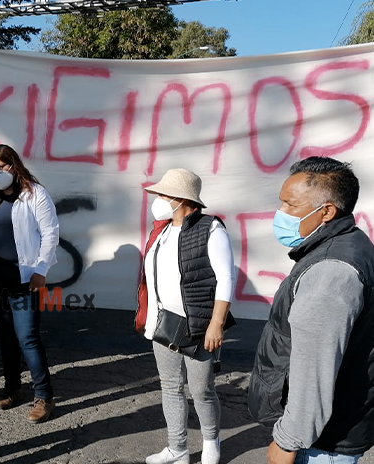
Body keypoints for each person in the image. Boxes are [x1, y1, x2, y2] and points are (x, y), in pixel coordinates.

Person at [248, 157, 374, 464]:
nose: (281, 214)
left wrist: (288, 441)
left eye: (291, 205)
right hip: (335, 430)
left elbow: (314, 368)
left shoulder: (330, 272)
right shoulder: (349, 243)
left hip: (322, 445)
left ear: (327, 211)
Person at [136, 168, 235, 464]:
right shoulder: (162, 230)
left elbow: (226, 278)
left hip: (198, 326)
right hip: (162, 325)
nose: (158, 200)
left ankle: (210, 442)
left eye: (163, 194)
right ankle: (177, 449)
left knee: (202, 390)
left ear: (180, 198)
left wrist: (216, 324)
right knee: (170, 387)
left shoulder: (211, 229)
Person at [0, 144, 59, 424]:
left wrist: (41, 269)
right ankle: (13, 389)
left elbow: (50, 233)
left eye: (1, 168)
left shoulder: (35, 194)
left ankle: (44, 395)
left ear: (14, 166)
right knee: (6, 337)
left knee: (27, 337)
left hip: (25, 279)